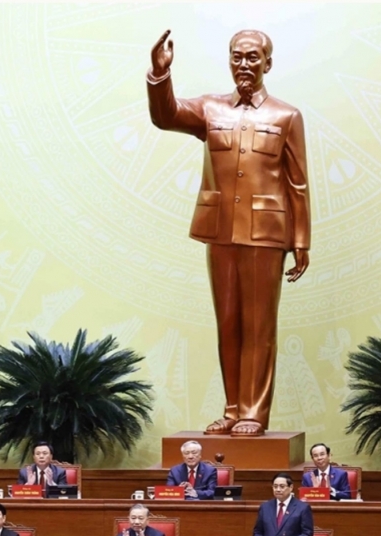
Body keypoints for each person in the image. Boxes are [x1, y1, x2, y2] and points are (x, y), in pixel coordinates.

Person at [147, 29, 311, 438]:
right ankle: (233, 409)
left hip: (266, 234)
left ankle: (255, 412)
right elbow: (165, 116)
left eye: (253, 57)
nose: (244, 64)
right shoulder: (209, 109)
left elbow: (298, 184)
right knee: (229, 324)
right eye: (237, 57)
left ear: (267, 63)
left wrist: (302, 241)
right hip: (220, 230)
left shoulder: (286, 116)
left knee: (258, 326)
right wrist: (159, 74)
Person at [252, 472, 314, 536]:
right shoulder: (265, 507)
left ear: (291, 487)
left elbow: (307, 534)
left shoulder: (302, 508)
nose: (278, 489)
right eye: (275, 486)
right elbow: (257, 532)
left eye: (282, 486)